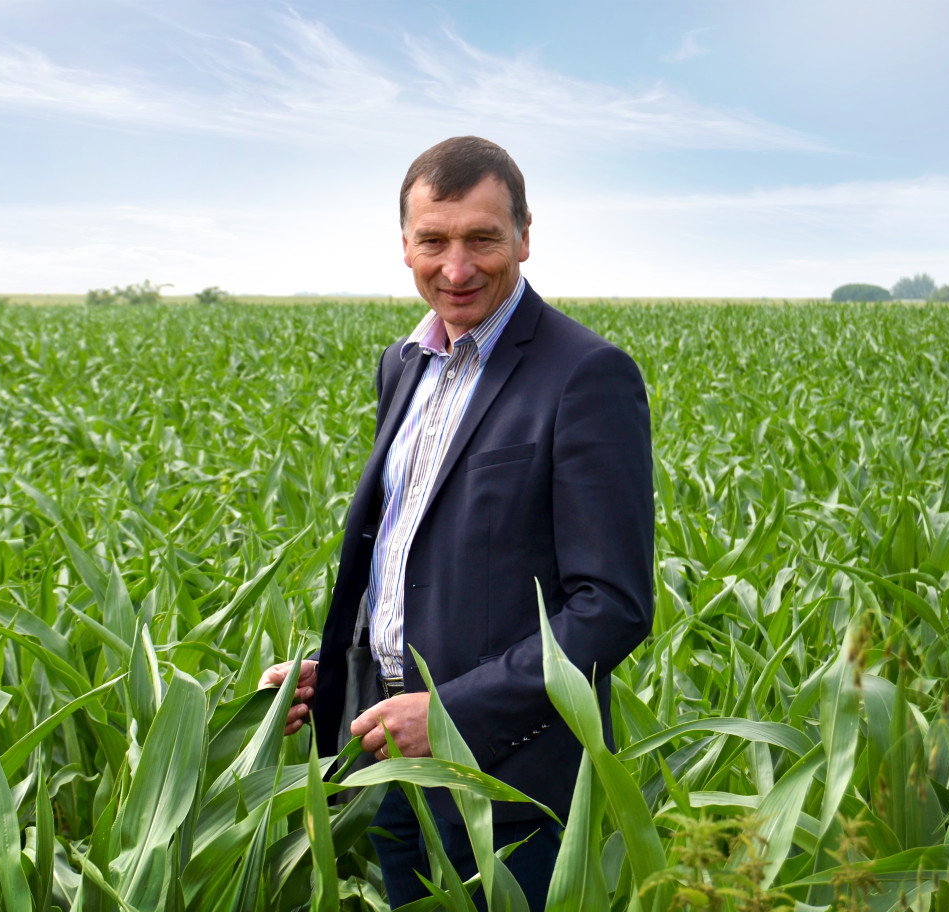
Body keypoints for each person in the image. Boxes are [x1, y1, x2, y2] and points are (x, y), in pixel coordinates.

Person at [259, 135, 654, 906]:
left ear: (526, 236)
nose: (457, 267)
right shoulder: (402, 365)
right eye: (433, 241)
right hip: (393, 767)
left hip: (512, 790)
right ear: (404, 243)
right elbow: (418, 562)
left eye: (482, 238)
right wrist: (333, 675)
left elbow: (612, 607)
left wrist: (450, 714)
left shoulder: (585, 375)